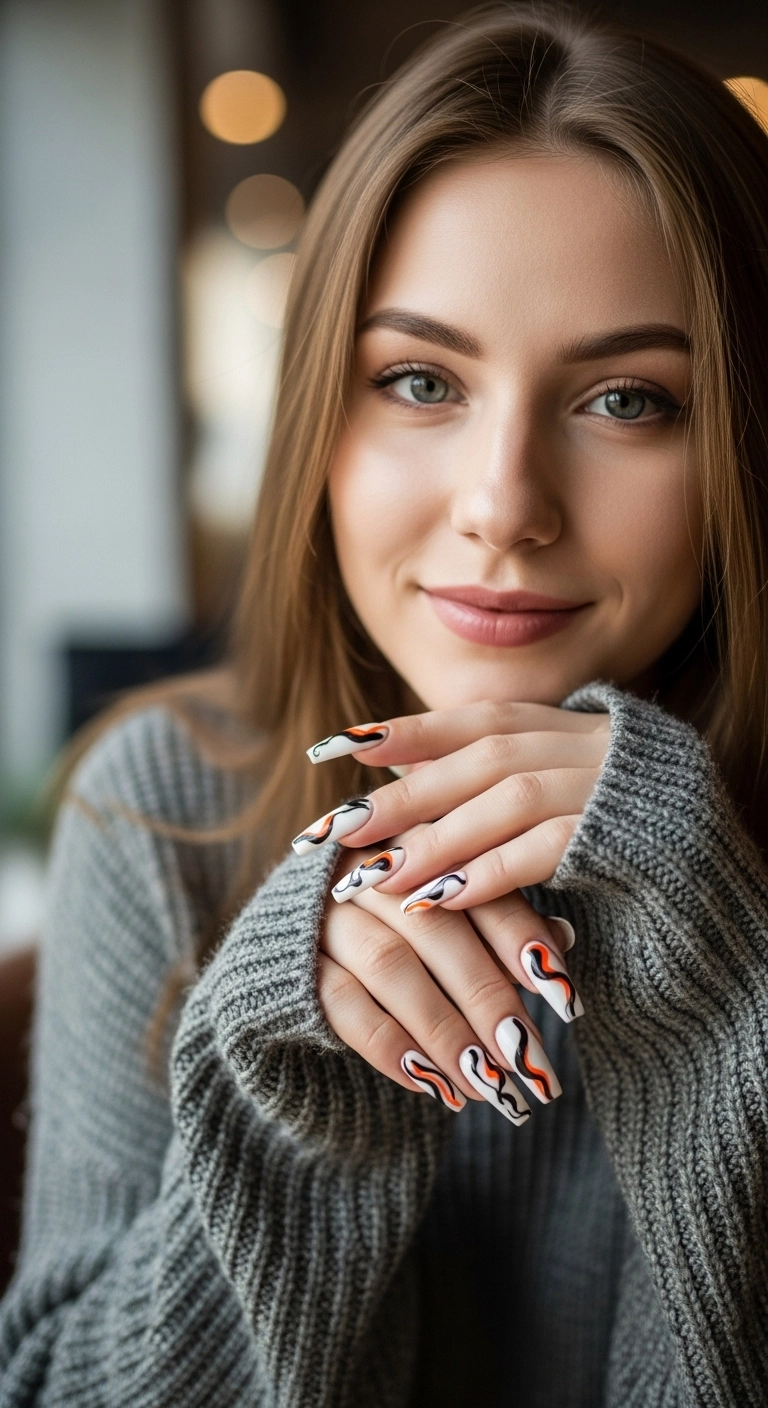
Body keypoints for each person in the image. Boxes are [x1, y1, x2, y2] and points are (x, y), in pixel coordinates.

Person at [2, 6, 768, 1405]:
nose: (503, 508)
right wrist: (281, 1105)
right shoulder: (162, 804)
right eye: (420, 381)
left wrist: (721, 995)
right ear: (319, 421)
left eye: (629, 400)